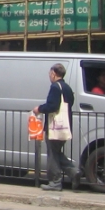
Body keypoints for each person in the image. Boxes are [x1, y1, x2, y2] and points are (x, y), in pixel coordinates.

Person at [32, 63, 79, 191]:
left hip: (54, 127)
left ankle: (55, 182)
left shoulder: (55, 87)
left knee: (52, 154)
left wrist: (39, 109)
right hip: (65, 126)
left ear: (53, 73)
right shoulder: (67, 88)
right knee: (56, 153)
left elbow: (52, 106)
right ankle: (74, 172)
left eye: (49, 73)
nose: (49, 75)